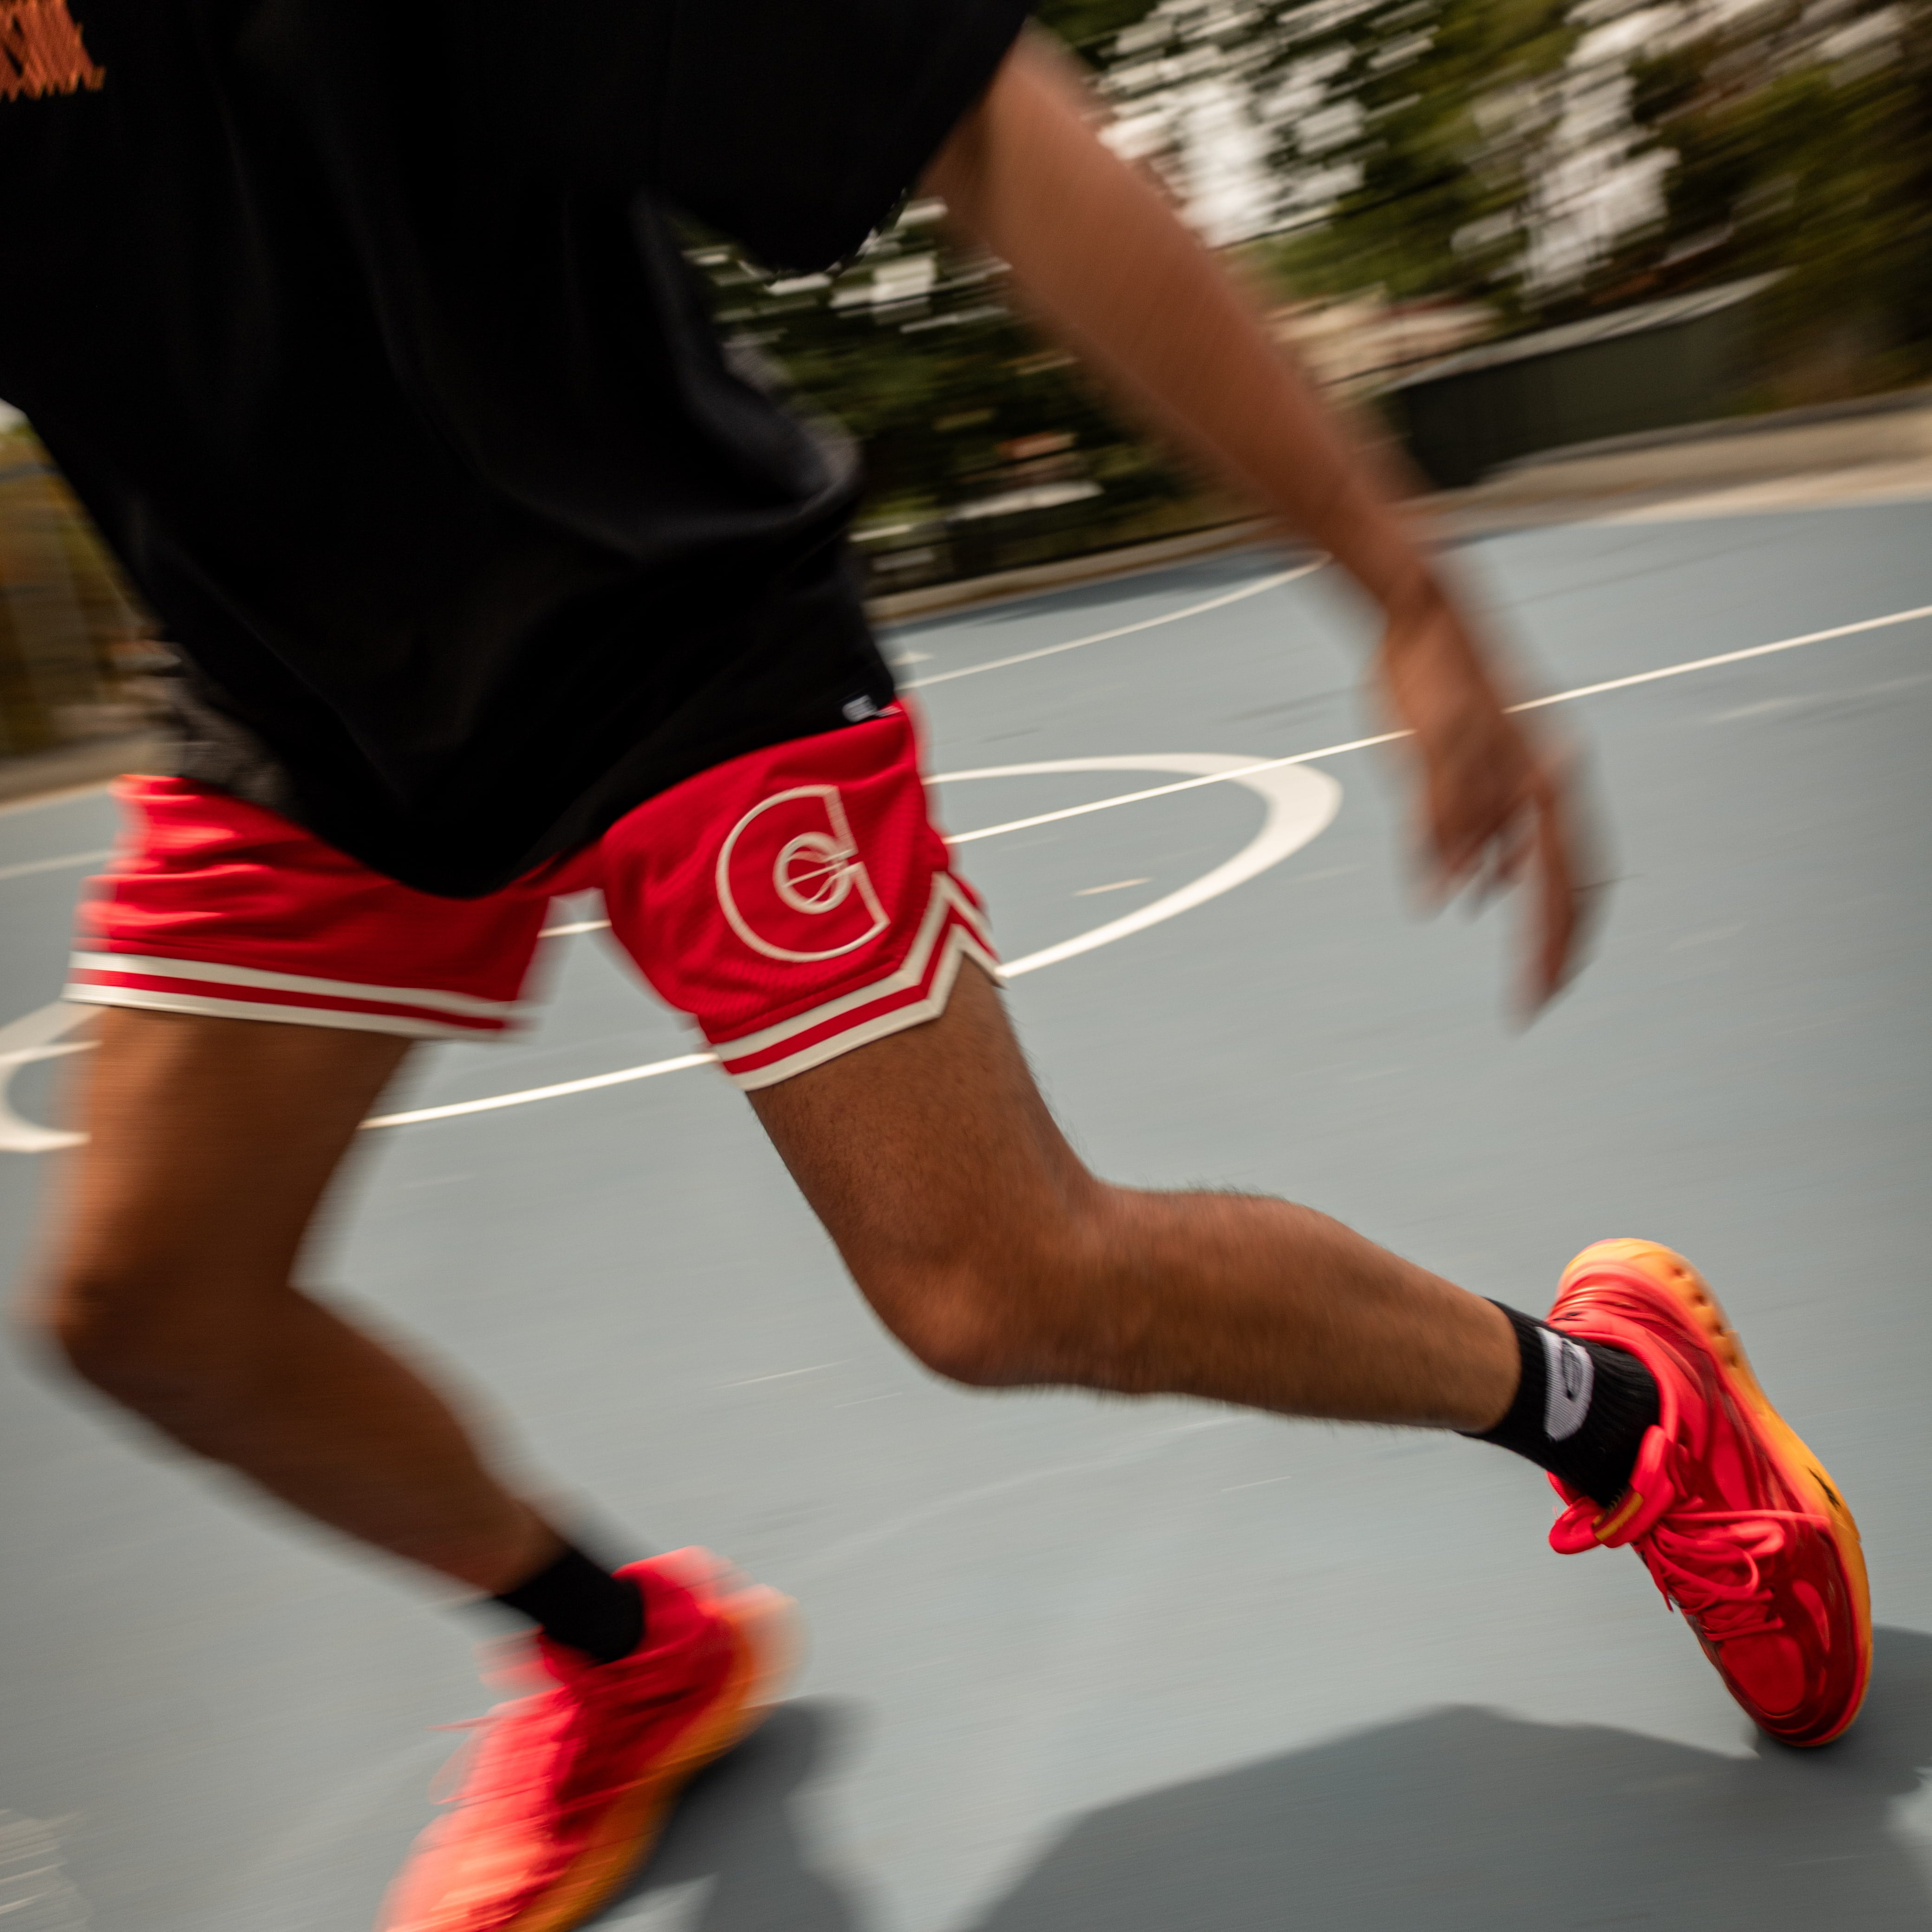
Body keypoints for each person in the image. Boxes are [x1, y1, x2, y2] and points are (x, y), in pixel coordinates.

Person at [6, 4, 1869, 1928]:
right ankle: (620, 1651)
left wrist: (1396, 581)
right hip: (296, 712)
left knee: (996, 1278)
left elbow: (968, 112)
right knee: (150, 1300)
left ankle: (1621, 1405)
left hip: (662, 635)